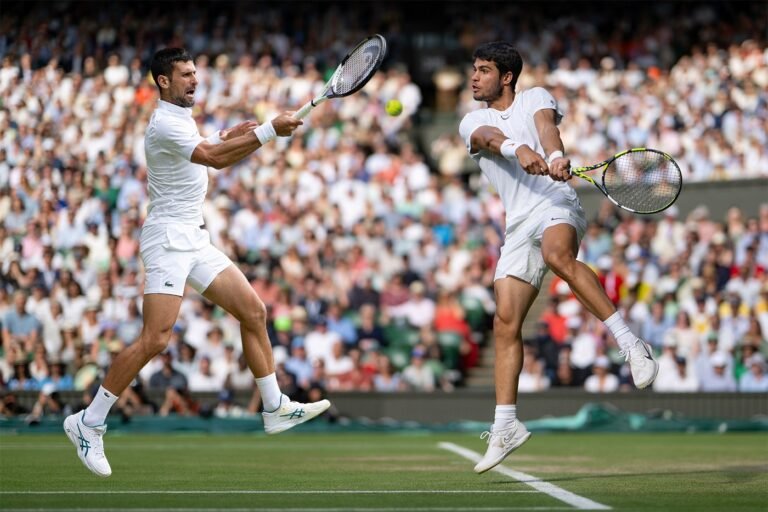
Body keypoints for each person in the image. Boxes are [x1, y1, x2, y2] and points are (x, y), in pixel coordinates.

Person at [63, 48, 330, 478]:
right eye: (185, 75)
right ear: (163, 81)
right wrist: (267, 132)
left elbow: (210, 148)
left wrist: (232, 133)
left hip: (194, 237)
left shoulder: (181, 117)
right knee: (156, 338)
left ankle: (275, 406)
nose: (194, 81)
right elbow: (211, 159)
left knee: (254, 311)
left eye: (195, 74)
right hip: (168, 239)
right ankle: (88, 422)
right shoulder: (165, 123)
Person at [457, 42, 658, 474]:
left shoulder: (535, 97)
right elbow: (488, 139)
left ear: (506, 77)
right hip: (517, 224)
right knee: (505, 322)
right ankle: (506, 425)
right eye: (474, 69)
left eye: (484, 70)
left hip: (556, 202)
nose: (474, 77)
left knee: (556, 255)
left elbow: (546, 127)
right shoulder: (472, 119)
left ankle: (631, 344)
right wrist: (517, 151)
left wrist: (552, 156)